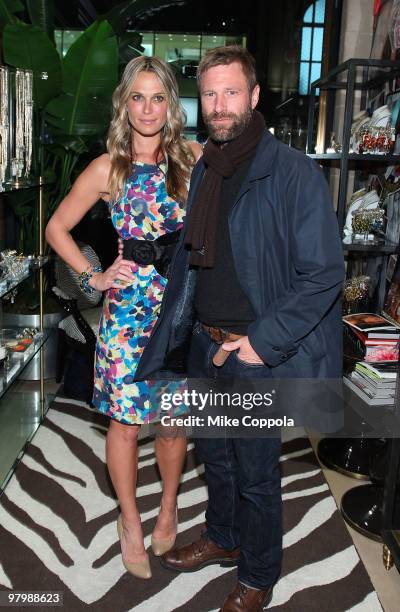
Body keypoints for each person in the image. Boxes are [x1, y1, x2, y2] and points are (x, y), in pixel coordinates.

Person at [139, 45, 344, 611]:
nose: (220, 104)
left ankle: (258, 575)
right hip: (207, 343)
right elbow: (207, 251)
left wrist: (261, 342)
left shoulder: (293, 171)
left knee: (256, 473)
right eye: (209, 93)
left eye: (231, 92)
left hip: (255, 352)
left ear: (254, 97)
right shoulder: (208, 165)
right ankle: (223, 538)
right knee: (217, 457)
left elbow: (324, 273)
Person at [45, 56, 202, 580]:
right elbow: (56, 228)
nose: (148, 108)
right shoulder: (106, 168)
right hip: (128, 311)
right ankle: (130, 520)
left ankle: (170, 506)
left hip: (181, 305)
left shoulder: (193, 157)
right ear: (124, 103)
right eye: (138, 96)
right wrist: (93, 277)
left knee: (175, 420)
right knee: (126, 423)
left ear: (171, 104)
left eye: (159, 97)